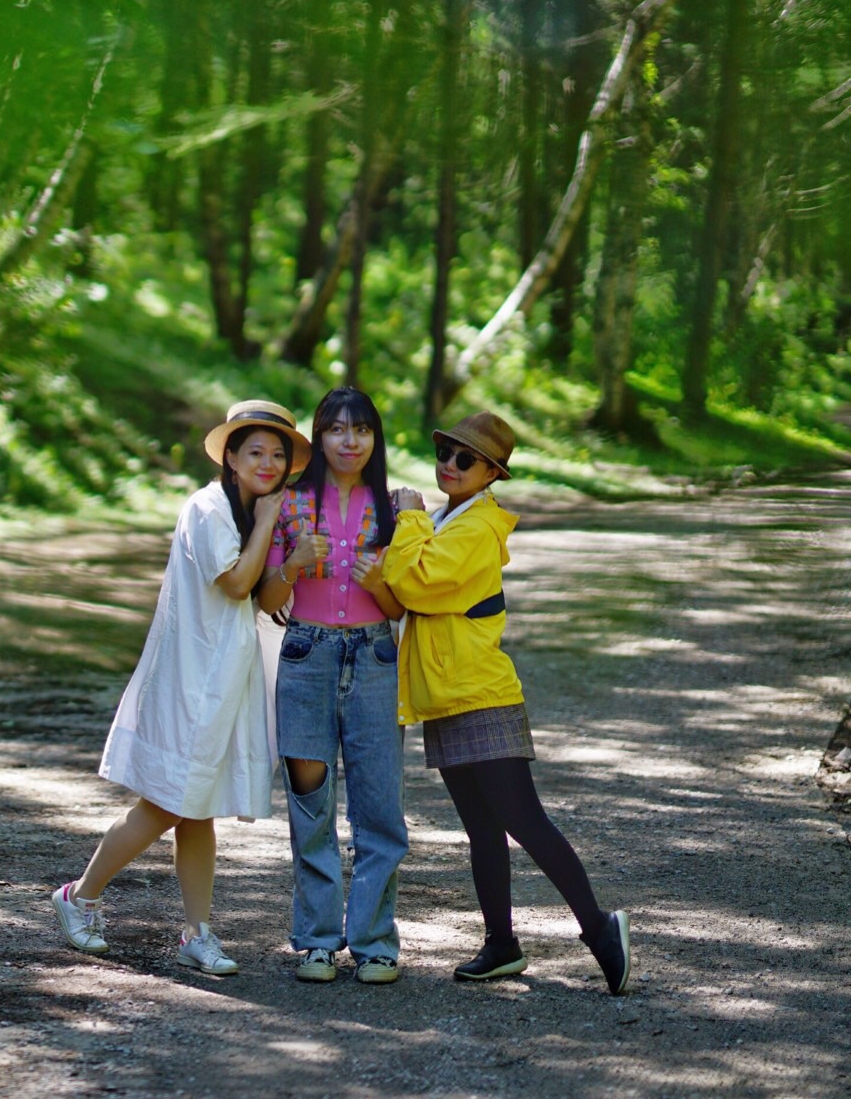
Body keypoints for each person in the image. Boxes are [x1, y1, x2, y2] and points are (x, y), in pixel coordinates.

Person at [51, 400, 309, 974]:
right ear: (232, 457)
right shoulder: (212, 507)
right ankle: (80, 897)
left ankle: (196, 932)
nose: (268, 462)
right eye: (255, 452)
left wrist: (291, 561)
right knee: (169, 802)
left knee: (200, 809)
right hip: (193, 677)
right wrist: (270, 524)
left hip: (228, 677)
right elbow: (238, 585)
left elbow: (268, 600)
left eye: (278, 454)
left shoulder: (253, 509)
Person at [380, 411, 634, 994]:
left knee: (524, 820)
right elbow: (403, 582)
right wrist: (418, 524)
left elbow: (416, 583)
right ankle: (501, 944)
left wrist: (410, 517)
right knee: (481, 829)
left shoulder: (476, 528)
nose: (449, 464)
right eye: (444, 451)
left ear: (492, 472)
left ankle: (599, 930)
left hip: (481, 694)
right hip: (448, 693)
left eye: (465, 459)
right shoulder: (450, 518)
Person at [256, 387, 414, 986]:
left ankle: (374, 942)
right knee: (311, 803)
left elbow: (400, 608)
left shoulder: (395, 508)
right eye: (337, 430)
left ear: (375, 439)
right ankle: (319, 940)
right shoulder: (289, 503)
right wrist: (292, 565)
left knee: (379, 805)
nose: (350, 442)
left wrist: (380, 583)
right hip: (306, 655)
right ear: (319, 438)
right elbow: (268, 600)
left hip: (374, 657)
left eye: (362, 431)